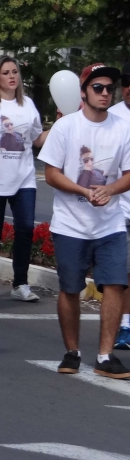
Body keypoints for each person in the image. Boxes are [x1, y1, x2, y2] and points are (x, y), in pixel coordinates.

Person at [40, 64, 130, 378]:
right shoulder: (66, 128)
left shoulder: (123, 127)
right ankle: (72, 352)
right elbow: (51, 173)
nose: (106, 93)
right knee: (70, 288)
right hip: (71, 224)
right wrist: (82, 190)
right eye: (98, 88)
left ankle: (105, 356)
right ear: (83, 92)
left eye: (110, 88)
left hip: (110, 224)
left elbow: (129, 174)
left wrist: (110, 189)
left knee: (116, 285)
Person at [0, 55, 48, 303]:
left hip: (25, 178)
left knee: (25, 229)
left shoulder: (27, 104)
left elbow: (38, 140)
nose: (12, 77)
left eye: (15, 72)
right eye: (6, 72)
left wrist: (61, 124)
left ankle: (21, 283)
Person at [110, 62, 130, 350]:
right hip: (119, 209)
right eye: (126, 83)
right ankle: (125, 326)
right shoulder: (112, 117)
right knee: (124, 272)